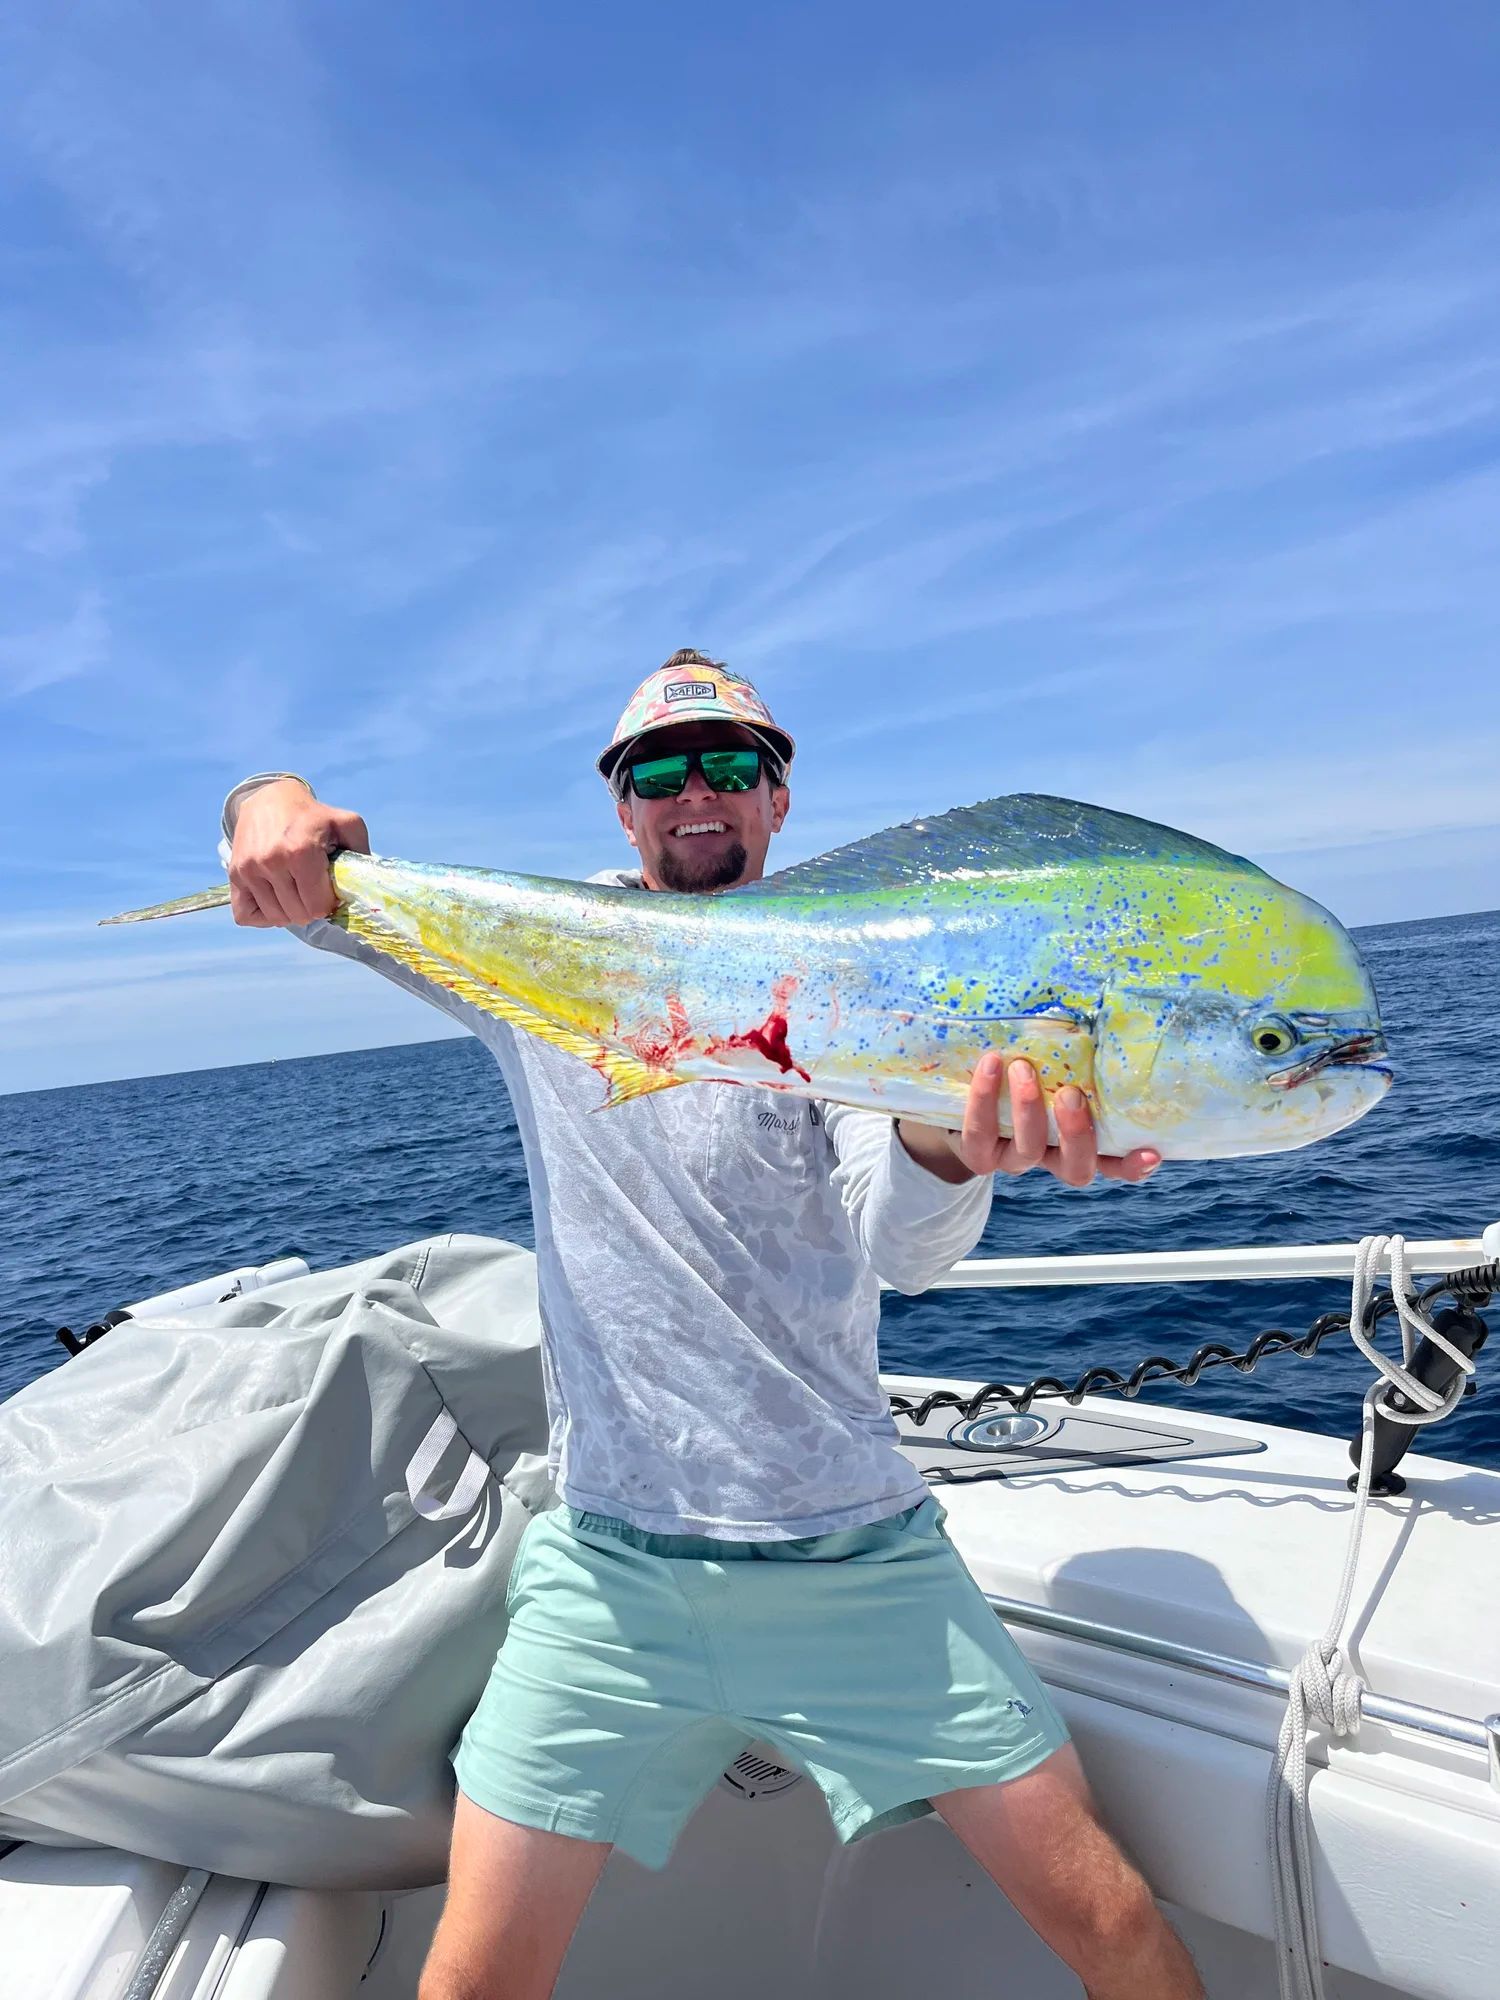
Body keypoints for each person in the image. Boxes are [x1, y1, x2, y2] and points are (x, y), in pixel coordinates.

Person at [223, 649, 1202, 2000]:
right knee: (469, 1981)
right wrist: (268, 800)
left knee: (1110, 1919)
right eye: (662, 773)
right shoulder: (549, 959)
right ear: (622, 809)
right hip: (608, 1577)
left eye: (733, 768)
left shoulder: (856, 977)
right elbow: (322, 893)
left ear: (779, 800)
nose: (699, 796)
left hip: (861, 1563)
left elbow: (902, 1249)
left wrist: (946, 1144)